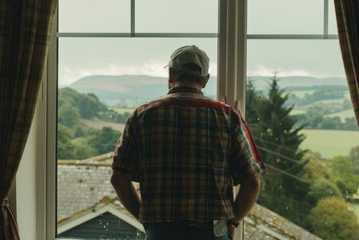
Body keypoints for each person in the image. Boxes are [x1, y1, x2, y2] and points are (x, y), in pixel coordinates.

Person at [111, 45, 262, 240]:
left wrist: (146, 220)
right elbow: (252, 182)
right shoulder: (228, 117)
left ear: (171, 75)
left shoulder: (142, 116)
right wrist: (232, 223)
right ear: (206, 80)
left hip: (161, 233)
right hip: (212, 233)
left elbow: (118, 178)